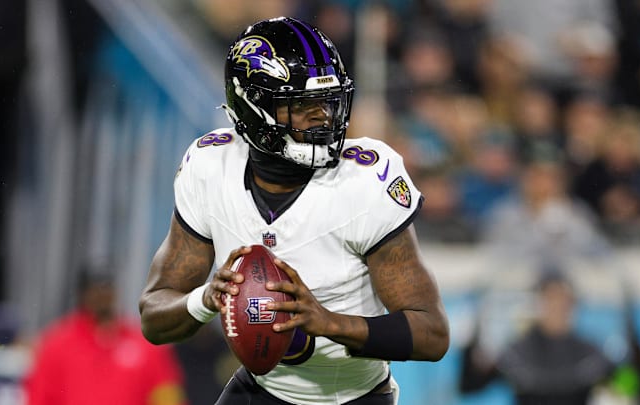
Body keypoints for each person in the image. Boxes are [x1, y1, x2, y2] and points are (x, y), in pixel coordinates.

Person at [139, 16, 450, 405]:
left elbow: (433, 333)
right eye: (303, 105)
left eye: (329, 101)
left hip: (352, 398)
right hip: (261, 389)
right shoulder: (210, 167)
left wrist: (332, 323)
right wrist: (205, 300)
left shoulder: (363, 181)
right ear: (255, 110)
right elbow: (154, 315)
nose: (324, 117)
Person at [24, 268, 188, 405]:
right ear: (83, 295)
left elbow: (167, 395)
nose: (102, 296)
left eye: (106, 289)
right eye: (95, 290)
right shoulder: (57, 344)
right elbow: (39, 397)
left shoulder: (143, 343)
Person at [460, 269, 617, 405]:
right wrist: (470, 342)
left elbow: (629, 385)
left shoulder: (590, 353)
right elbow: (471, 385)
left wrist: (633, 361)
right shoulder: (517, 352)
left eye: (562, 300)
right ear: (539, 303)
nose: (556, 307)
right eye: (550, 299)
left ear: (572, 304)